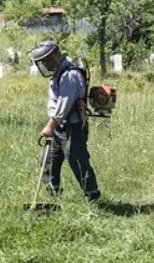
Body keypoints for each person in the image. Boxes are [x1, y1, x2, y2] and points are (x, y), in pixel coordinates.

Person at [29, 40, 101, 202]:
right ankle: (53, 196)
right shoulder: (59, 74)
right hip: (59, 127)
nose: (45, 65)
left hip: (73, 126)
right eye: (42, 63)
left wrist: (49, 126)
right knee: (49, 160)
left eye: (47, 61)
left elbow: (64, 105)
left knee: (77, 160)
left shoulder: (70, 75)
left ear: (56, 56)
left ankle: (92, 196)